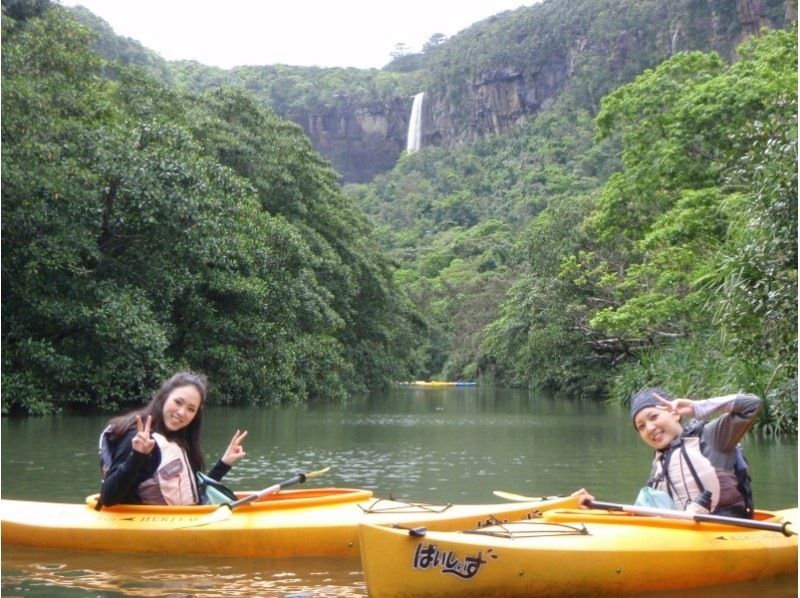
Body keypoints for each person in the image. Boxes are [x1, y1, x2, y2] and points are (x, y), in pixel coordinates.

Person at [577, 387, 760, 518]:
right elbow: (645, 514)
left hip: (726, 532)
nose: (649, 428)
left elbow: (752, 405)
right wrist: (594, 507)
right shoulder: (660, 463)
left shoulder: (712, 437)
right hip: (685, 535)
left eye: (654, 417)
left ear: (674, 413)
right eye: (641, 427)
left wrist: (698, 407)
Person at [98, 371, 247, 507]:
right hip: (145, 527)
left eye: (191, 409)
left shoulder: (178, 438)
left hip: (182, 521)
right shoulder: (138, 437)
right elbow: (107, 497)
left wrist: (224, 463)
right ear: (164, 397)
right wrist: (137, 456)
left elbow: (193, 493)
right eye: (178, 402)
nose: (182, 413)